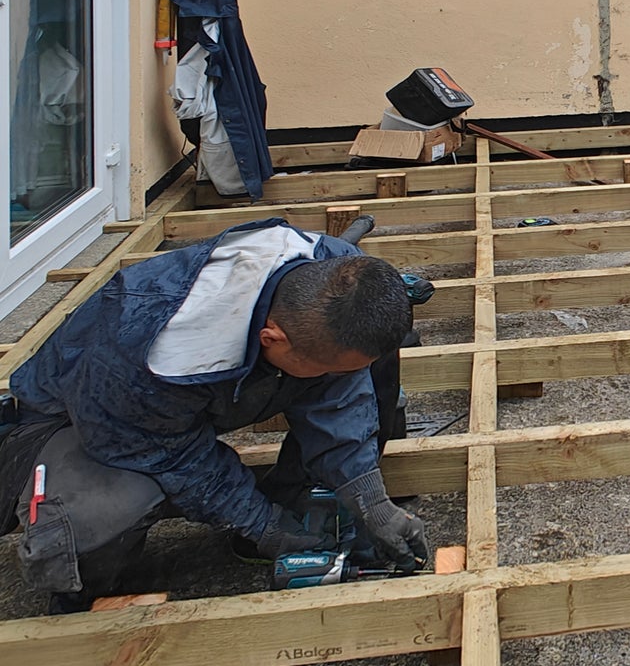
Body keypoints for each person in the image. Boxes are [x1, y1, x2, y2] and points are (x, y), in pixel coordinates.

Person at [0, 218, 430, 611]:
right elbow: (177, 459)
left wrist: (373, 502)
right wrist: (265, 527)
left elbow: (341, 400)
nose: (333, 377)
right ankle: (86, 596)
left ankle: (291, 499)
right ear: (272, 338)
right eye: (323, 369)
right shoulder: (138, 352)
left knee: (367, 361)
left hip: (190, 396)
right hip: (83, 418)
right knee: (97, 518)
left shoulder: (337, 274)